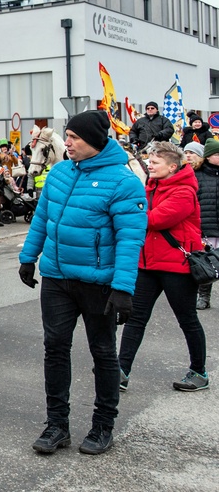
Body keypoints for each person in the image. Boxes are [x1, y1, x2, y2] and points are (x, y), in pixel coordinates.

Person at [19, 110, 147, 456]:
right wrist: (28, 258)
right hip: (57, 279)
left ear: (95, 140)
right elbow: (42, 219)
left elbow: (130, 239)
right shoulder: (59, 172)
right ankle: (57, 425)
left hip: (99, 284)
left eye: (74, 137)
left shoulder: (124, 182)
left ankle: (103, 425)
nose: (68, 143)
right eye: (68, 136)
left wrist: (123, 288)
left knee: (104, 352)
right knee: (55, 348)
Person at [118, 142, 209, 393]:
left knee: (187, 319)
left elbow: (156, 219)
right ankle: (121, 371)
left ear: (172, 166)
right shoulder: (150, 187)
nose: (149, 164)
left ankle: (199, 372)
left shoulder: (184, 191)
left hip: (176, 267)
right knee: (135, 319)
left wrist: (128, 214)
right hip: (147, 264)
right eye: (149, 161)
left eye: (155, 162)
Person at [194, 138, 219, 309]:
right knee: (207, 263)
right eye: (217, 154)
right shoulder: (197, 176)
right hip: (206, 228)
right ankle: (203, 296)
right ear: (208, 156)